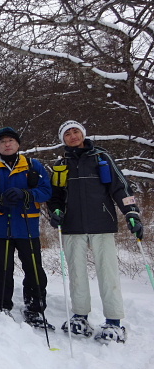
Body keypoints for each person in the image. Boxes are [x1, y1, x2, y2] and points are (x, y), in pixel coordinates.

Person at [47, 120, 143, 344]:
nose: (72, 136)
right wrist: (56, 211)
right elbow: (55, 196)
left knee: (107, 273)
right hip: (72, 227)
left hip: (102, 223)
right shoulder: (61, 164)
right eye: (67, 134)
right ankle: (80, 317)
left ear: (83, 134)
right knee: (77, 274)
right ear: (63, 139)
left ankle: (114, 322)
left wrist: (131, 213)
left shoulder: (101, 157)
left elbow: (121, 187)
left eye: (75, 132)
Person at [0, 127, 53, 328]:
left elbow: (46, 191)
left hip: (27, 226)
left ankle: (35, 307)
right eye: (2, 142)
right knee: (1, 269)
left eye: (10, 140)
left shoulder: (33, 166)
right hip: (2, 229)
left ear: (18, 144)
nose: (7, 144)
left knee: (34, 269)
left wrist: (26, 195)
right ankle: (0, 306)